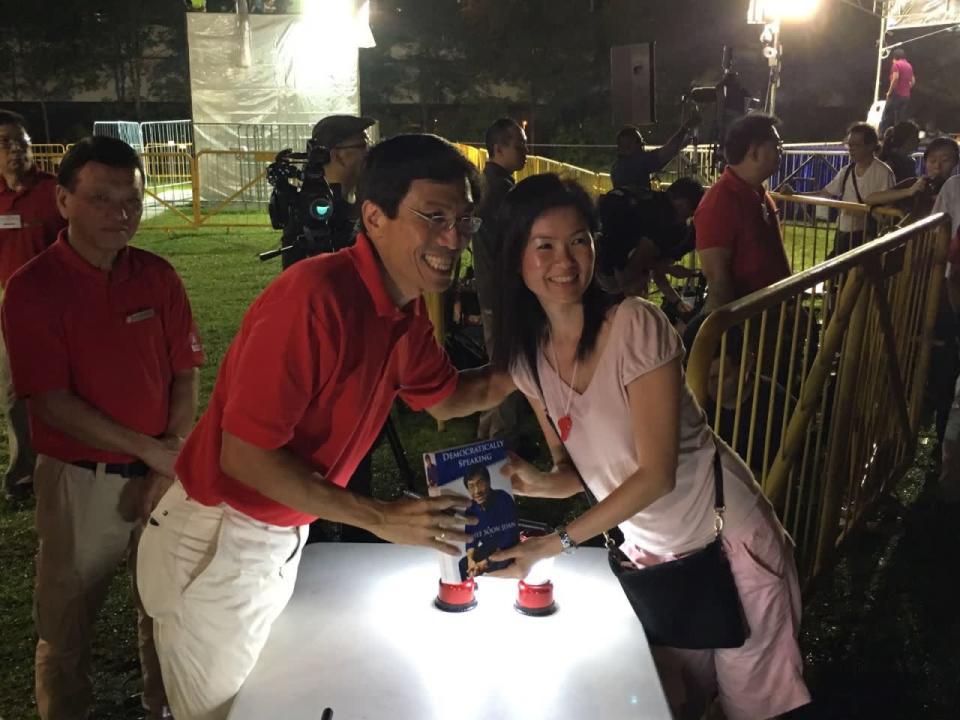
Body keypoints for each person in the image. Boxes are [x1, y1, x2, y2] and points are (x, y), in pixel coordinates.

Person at [136, 133, 516, 720]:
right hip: (223, 534)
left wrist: (544, 358)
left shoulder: (402, 305)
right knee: (225, 712)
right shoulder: (314, 298)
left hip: (273, 533)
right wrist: (381, 517)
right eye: (434, 217)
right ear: (374, 216)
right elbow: (246, 457)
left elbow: (448, 399)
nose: (453, 238)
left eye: (464, 220)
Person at [485, 173, 810, 720]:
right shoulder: (528, 361)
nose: (565, 261)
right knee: (665, 699)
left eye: (579, 241)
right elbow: (577, 468)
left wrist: (553, 544)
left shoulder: (635, 325)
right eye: (544, 245)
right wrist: (541, 481)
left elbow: (655, 472)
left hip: (728, 542)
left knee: (753, 704)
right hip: (653, 555)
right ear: (515, 256)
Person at [1, 136, 204, 720]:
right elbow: (52, 402)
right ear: (63, 201)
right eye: (101, 199)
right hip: (79, 482)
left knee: (167, 612)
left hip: (161, 474)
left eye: (132, 201)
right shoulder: (34, 288)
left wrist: (165, 458)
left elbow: (185, 374)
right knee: (66, 626)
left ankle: (164, 707)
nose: (120, 214)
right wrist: (157, 454)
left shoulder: (157, 276)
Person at [0, 109, 66, 500]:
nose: (15, 151)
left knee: (68, 387)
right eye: (5, 143)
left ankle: (71, 467)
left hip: (60, 305)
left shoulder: (55, 192)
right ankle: (23, 475)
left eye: (21, 143)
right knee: (14, 393)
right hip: (9, 308)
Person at [694, 113, 790, 310]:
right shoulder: (718, 204)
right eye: (776, 146)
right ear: (754, 152)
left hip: (773, 321)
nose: (781, 152)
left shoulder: (760, 193)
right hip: (748, 330)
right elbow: (719, 286)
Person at [474, 117, 528, 443]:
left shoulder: (484, 185)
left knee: (498, 364)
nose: (525, 152)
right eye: (519, 146)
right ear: (498, 148)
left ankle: (485, 435)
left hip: (490, 291)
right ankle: (502, 444)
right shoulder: (503, 192)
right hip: (504, 293)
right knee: (510, 368)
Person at [280, 114, 375, 269]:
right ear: (337, 155)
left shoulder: (363, 200)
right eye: (363, 146)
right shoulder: (310, 212)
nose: (370, 153)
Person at [817, 122, 894, 254]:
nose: (850, 149)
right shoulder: (846, 171)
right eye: (849, 144)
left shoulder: (883, 172)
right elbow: (825, 193)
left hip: (866, 237)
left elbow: (889, 210)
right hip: (843, 232)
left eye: (856, 145)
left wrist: (864, 213)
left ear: (870, 146)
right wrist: (795, 194)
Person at [865, 136, 959, 221]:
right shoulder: (916, 184)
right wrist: (909, 191)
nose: (937, 166)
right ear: (925, 162)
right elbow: (870, 198)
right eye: (932, 161)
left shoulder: (955, 188)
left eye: (945, 160)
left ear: (956, 163)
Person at [459, 463, 518, 579]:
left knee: (499, 564)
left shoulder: (503, 498)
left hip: (507, 549)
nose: (476, 491)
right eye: (471, 486)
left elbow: (509, 537)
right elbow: (470, 538)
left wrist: (486, 562)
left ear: (489, 482)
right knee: (463, 564)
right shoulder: (471, 508)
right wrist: (471, 560)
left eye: (480, 483)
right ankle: (468, 592)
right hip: (488, 548)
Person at [611, 117, 700, 191]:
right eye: (640, 142)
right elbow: (666, 153)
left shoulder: (617, 167)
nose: (643, 145)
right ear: (630, 145)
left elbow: (664, 156)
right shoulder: (636, 162)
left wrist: (679, 146)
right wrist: (685, 128)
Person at [880, 48, 915, 135]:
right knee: (900, 119)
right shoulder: (909, 65)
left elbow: (895, 78)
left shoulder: (896, 65)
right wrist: (907, 88)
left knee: (886, 116)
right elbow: (913, 80)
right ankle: (899, 137)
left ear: (895, 57)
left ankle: (880, 136)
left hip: (896, 94)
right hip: (906, 96)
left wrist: (889, 92)